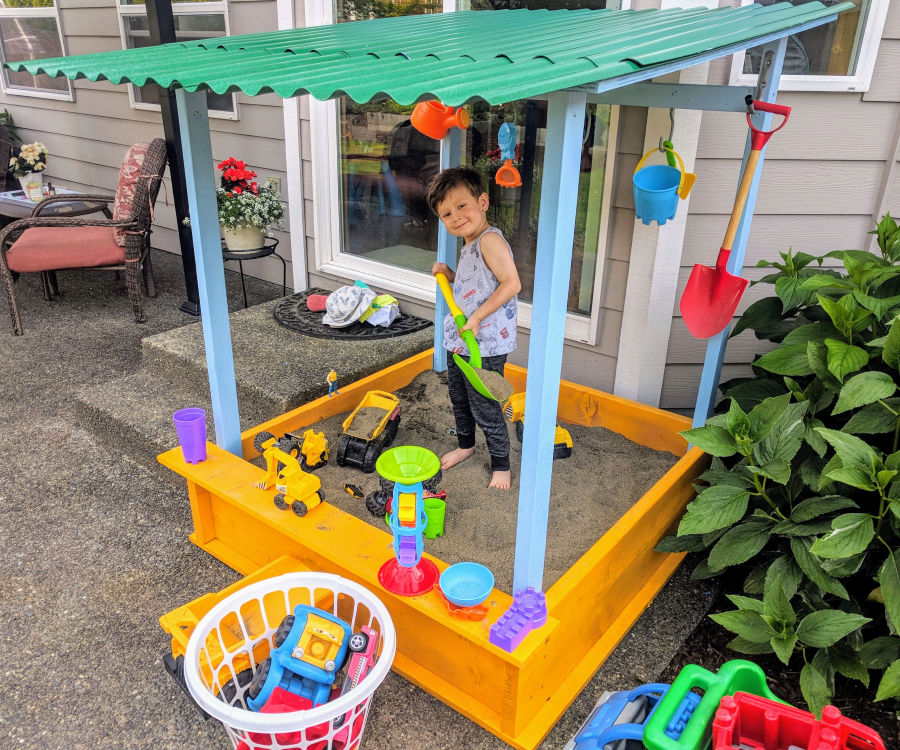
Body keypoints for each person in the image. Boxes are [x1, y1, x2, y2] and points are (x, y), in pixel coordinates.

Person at [427, 166, 521, 490]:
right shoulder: (470, 244)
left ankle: (501, 466)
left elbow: (511, 283)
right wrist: (451, 275)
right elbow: (476, 285)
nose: (455, 216)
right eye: (446, 213)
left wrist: (478, 317)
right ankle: (466, 446)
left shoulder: (490, 240)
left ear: (483, 201)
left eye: (462, 205)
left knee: (484, 402)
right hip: (462, 341)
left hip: (486, 343)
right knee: (459, 397)